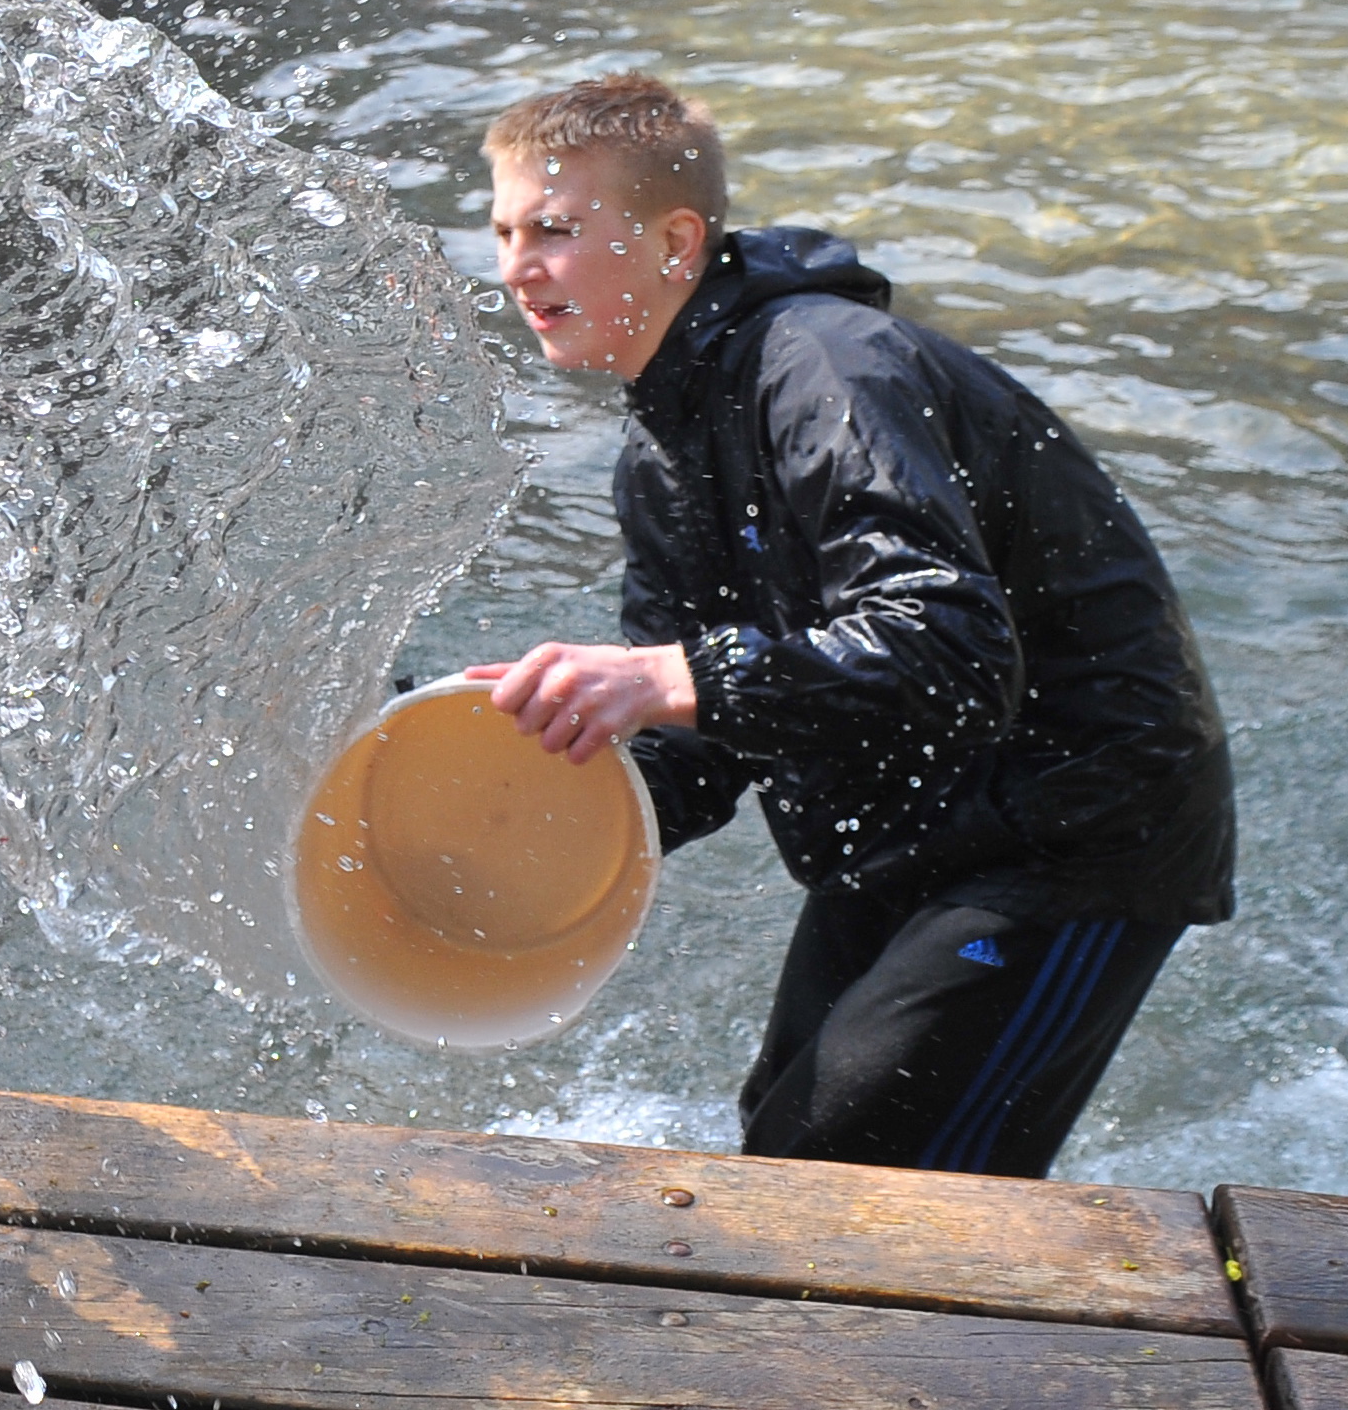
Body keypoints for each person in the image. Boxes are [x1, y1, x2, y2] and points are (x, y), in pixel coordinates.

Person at [466, 76, 1232, 1180]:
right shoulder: (664, 455)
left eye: (553, 230)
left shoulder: (825, 366)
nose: (516, 266)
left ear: (676, 238)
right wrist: (503, 803)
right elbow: (696, 750)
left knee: (860, 1182)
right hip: (909, 827)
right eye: (502, 232)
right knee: (786, 1144)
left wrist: (671, 676)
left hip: (1077, 831)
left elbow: (948, 643)